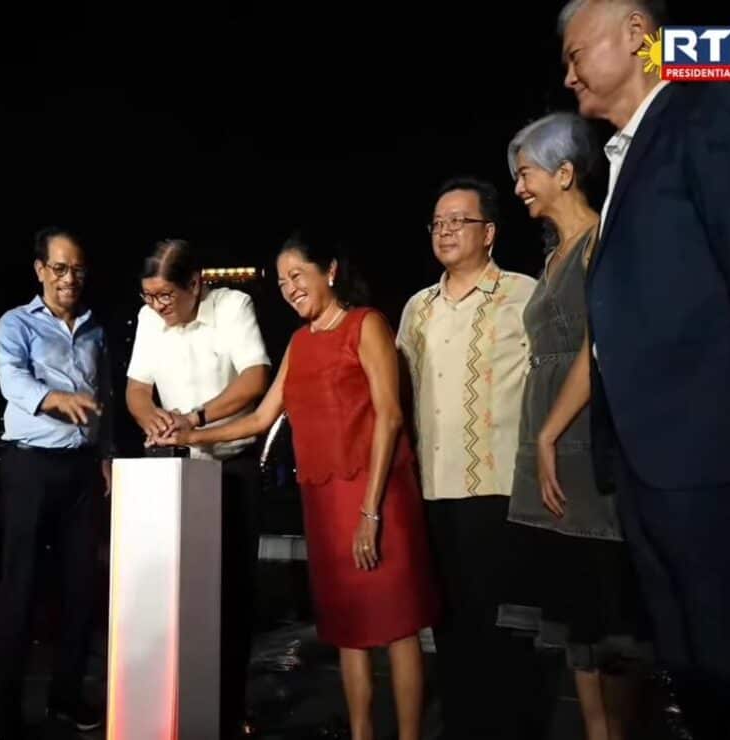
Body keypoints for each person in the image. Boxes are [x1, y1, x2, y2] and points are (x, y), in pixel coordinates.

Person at [557, 1, 730, 736]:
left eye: (576, 54)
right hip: (647, 465)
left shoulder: (707, 114)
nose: (568, 75)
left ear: (637, 35)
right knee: (692, 670)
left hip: (709, 452)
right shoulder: (628, 154)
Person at [156, 230, 440, 740]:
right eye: (283, 281)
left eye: (297, 275)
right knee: (349, 630)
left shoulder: (366, 324)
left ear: (329, 271)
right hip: (325, 504)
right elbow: (260, 418)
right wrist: (191, 432)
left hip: (377, 496)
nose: (289, 288)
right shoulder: (298, 343)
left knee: (398, 627)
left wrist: (371, 512)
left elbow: (391, 416)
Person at [497, 111, 650, 740]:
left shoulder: (601, 243)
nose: (518, 187)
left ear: (565, 173)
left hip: (586, 450)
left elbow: (600, 345)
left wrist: (548, 433)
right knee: (574, 627)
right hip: (552, 451)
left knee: (608, 626)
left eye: (526, 173)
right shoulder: (556, 253)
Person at [396, 177, 549, 740]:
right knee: (449, 625)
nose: (445, 231)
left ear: (489, 232)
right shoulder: (418, 307)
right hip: (433, 489)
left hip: (499, 486)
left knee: (505, 626)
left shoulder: (523, 294)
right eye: (438, 223)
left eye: (458, 221)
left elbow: (551, 379)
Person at [124, 238, 271, 739]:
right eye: (149, 295)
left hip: (231, 467)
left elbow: (255, 377)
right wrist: (153, 418)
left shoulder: (232, 307)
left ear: (196, 283)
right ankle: (179, 703)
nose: (157, 306)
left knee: (233, 593)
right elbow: (137, 389)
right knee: (178, 594)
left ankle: (230, 709)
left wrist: (196, 418)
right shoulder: (149, 320)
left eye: (166, 295)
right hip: (178, 475)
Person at [0, 226, 111, 739]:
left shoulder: (95, 329)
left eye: (78, 269)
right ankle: (5, 713)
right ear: (40, 269)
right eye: (59, 268)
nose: (69, 279)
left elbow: (103, 394)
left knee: (82, 587)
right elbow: (10, 379)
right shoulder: (15, 323)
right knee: (21, 588)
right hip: (30, 467)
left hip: (82, 471)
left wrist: (105, 455)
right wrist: (55, 399)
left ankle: (66, 698)